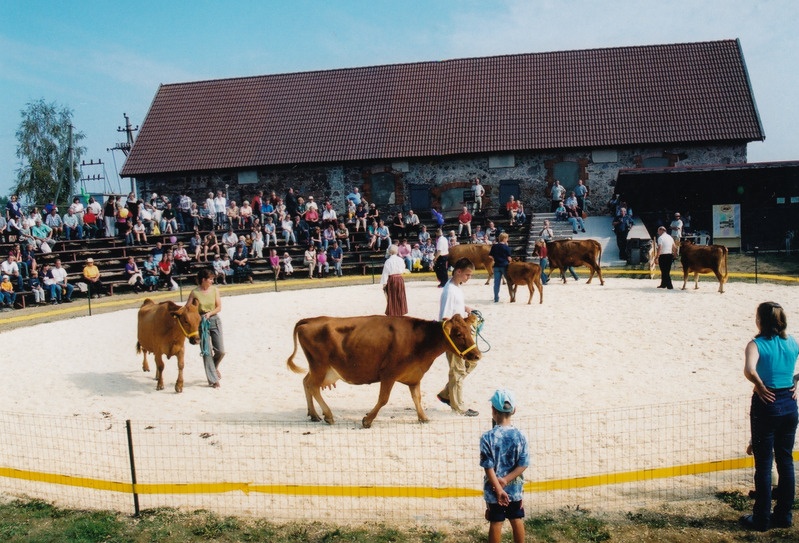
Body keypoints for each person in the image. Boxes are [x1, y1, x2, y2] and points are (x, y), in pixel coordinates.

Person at [739, 302, 799, 531]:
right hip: (790, 405)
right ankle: (784, 515)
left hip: (767, 404)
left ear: (760, 320)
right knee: (785, 461)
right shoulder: (791, 341)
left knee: (763, 465)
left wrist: (759, 385)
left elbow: (749, 370)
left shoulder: (756, 344)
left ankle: (761, 518)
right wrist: (795, 380)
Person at [481, 389, 529, 543]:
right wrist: (506, 480)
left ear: (493, 411)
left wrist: (499, 487)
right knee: (517, 518)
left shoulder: (487, 437)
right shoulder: (521, 436)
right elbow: (523, 464)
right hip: (515, 488)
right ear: (514, 410)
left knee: (496, 521)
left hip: (493, 489)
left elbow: (488, 466)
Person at [436, 257, 478, 416]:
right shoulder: (450, 291)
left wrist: (465, 308)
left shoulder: (456, 287)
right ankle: (458, 407)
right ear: (458, 271)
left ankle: (447, 394)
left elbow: (455, 309)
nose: (469, 278)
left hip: (462, 335)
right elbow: (445, 319)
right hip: (455, 339)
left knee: (472, 362)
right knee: (458, 370)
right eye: (467, 274)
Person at [187, 268, 225, 388]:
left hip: (214, 320)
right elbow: (188, 309)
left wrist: (209, 313)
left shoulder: (215, 290)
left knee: (221, 351)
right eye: (210, 279)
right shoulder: (194, 293)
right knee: (206, 352)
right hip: (200, 323)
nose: (212, 281)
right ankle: (213, 380)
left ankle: (213, 368)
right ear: (203, 280)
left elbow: (219, 307)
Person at [489, 232, 512, 303]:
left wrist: (495, 259)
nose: (507, 239)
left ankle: (496, 298)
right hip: (505, 266)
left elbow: (490, 256)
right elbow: (509, 258)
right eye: (507, 238)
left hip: (496, 266)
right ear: (504, 238)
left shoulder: (494, 246)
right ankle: (512, 296)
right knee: (509, 282)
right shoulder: (506, 247)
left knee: (496, 283)